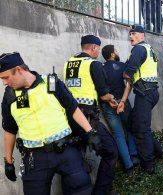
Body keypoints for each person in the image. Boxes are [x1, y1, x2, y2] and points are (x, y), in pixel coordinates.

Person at [0, 52, 102, 195]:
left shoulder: (51, 83)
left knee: (82, 189)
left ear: (19, 70)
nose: (4, 82)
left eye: (6, 77)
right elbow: (9, 129)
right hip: (34, 159)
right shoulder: (10, 96)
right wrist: (8, 161)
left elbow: (73, 108)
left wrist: (90, 132)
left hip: (65, 151)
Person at [63, 35, 118, 195]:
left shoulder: (68, 63)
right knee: (110, 151)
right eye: (98, 49)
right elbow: (103, 94)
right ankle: (101, 191)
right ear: (93, 47)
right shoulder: (93, 64)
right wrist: (112, 99)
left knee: (75, 156)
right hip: (87, 118)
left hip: (69, 118)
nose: (98, 53)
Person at [119, 25, 163, 174]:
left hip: (145, 94)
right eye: (130, 34)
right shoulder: (148, 49)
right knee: (133, 123)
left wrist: (124, 72)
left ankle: (148, 164)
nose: (131, 36)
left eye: (134, 33)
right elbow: (131, 80)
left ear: (142, 36)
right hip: (148, 92)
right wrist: (123, 101)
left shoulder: (138, 49)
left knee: (141, 129)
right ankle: (157, 150)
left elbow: (127, 74)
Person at [101, 45, 138, 175]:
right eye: (115, 50)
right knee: (131, 128)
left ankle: (128, 167)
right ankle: (134, 155)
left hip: (107, 104)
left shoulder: (100, 67)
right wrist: (122, 100)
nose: (117, 52)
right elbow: (130, 81)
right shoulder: (121, 66)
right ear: (112, 54)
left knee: (118, 134)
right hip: (122, 102)